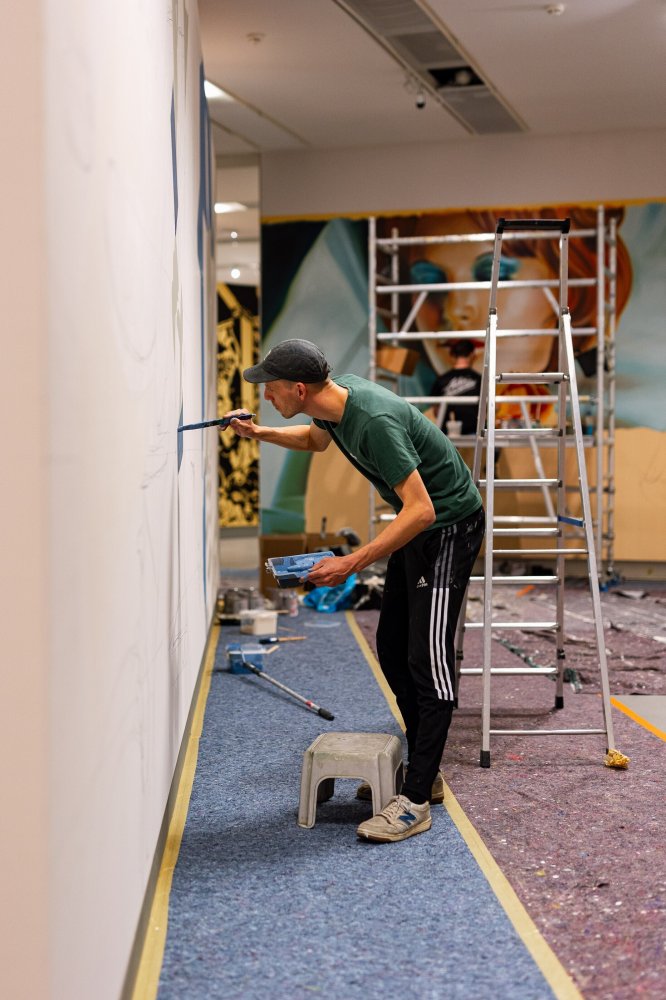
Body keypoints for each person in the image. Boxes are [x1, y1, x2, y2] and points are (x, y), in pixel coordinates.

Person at [226, 338, 485, 844]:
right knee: (391, 648)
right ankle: (425, 771)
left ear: (299, 389)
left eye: (271, 389)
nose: (266, 396)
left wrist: (351, 562)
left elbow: (423, 509)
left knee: (427, 658)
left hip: (449, 526)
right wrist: (259, 433)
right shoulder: (332, 403)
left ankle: (415, 800)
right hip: (419, 526)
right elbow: (314, 441)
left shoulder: (374, 421)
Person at [427, 338, 482, 436]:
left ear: (454, 355)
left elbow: (436, 410)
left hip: (447, 433)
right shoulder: (478, 379)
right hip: (473, 431)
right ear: (472, 354)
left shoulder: (442, 379)